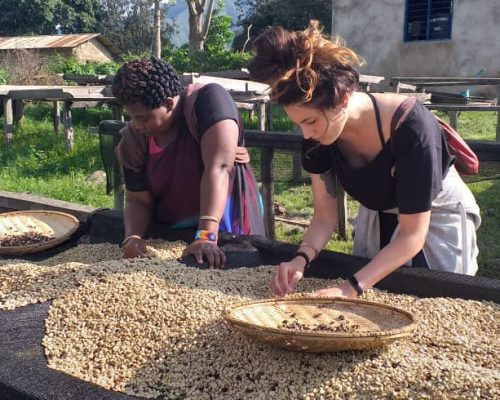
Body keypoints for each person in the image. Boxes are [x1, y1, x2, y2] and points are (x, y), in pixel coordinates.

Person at [247, 21, 481, 298]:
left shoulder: (411, 127)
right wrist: (301, 259)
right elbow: (325, 215)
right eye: (298, 124)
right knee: (376, 297)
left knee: (435, 301)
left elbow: (412, 236)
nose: (306, 134)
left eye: (310, 121)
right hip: (379, 213)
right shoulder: (316, 137)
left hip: (434, 216)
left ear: (344, 98)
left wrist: (350, 288)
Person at [112, 57, 265, 267]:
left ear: (168, 103)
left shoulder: (208, 102)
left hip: (226, 221)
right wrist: (133, 237)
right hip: (172, 231)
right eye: (133, 117)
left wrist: (206, 236)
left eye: (144, 118)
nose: (137, 125)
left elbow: (218, 168)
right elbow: (137, 199)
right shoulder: (134, 140)